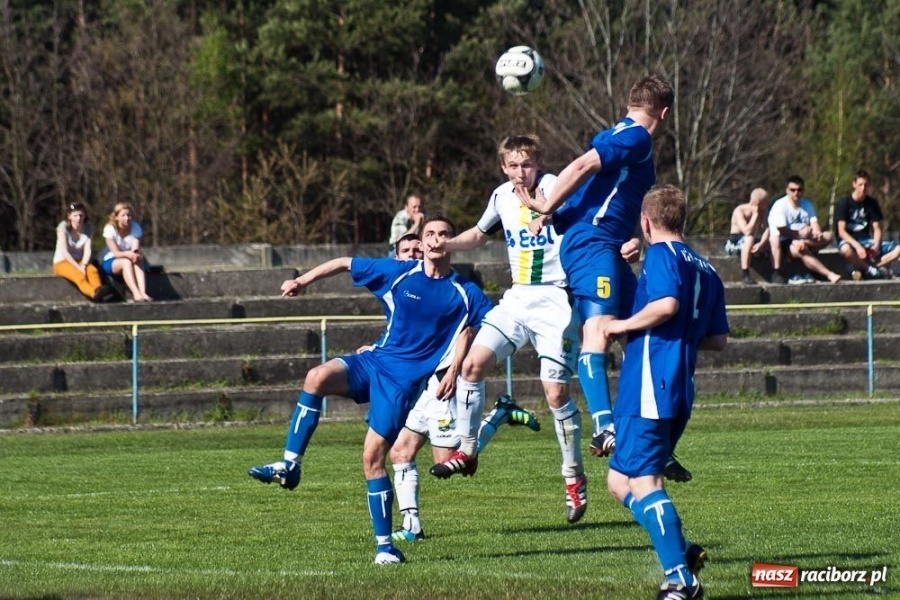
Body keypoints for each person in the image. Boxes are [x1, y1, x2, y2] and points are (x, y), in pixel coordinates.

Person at [247, 215, 494, 566]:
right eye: (429, 234)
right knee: (316, 376)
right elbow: (343, 262)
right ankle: (289, 465)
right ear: (421, 243)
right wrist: (302, 280)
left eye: (444, 234)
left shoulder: (465, 292)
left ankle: (385, 547)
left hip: (401, 384)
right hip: (374, 362)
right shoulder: (398, 272)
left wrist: (458, 368)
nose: (436, 240)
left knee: (372, 460)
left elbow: (485, 327)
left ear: (452, 242)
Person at [426, 134, 591, 524]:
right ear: (503, 167)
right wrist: (446, 245)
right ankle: (467, 449)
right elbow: (479, 235)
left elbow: (574, 210)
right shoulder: (501, 195)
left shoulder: (553, 187)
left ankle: (573, 479)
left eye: (527, 164)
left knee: (555, 393)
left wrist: (548, 213)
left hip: (555, 299)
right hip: (517, 298)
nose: (521, 172)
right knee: (471, 365)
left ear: (539, 163)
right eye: (513, 166)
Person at [514, 76, 674, 461]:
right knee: (599, 330)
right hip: (593, 244)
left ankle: (646, 434)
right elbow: (585, 163)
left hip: (608, 246)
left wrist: (635, 234)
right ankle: (605, 427)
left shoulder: (627, 137)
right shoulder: (636, 136)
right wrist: (546, 204)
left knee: (643, 334)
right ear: (664, 113)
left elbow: (605, 193)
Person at [602, 185, 728, 600]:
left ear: (645, 222)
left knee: (645, 481)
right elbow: (717, 340)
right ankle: (683, 551)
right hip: (679, 387)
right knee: (619, 481)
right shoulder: (707, 268)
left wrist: (619, 326)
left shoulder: (660, 255)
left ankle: (681, 580)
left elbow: (667, 305)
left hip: (649, 386)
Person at [767, 176, 841, 285]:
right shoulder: (780, 206)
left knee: (828, 236)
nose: (796, 193)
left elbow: (814, 222)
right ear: (787, 190)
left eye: (799, 190)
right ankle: (830, 274)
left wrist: (817, 232)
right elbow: (782, 231)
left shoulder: (807, 204)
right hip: (785, 242)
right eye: (793, 190)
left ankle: (805, 248)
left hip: (805, 239)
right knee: (801, 249)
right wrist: (798, 235)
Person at [834, 169, 899, 280]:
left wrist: (876, 245)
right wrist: (858, 247)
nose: (863, 188)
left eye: (866, 185)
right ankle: (869, 268)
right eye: (860, 185)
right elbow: (841, 231)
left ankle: (874, 268)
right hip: (849, 241)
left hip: (866, 240)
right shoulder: (843, 202)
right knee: (846, 250)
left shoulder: (871, 203)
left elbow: (877, 228)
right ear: (854, 184)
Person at [52, 202, 114, 302]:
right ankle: (94, 293)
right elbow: (64, 251)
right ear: (69, 216)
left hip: (80, 261)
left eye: (81, 215)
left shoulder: (88, 228)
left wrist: (84, 265)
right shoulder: (63, 228)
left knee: (92, 270)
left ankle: (99, 289)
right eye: (75, 215)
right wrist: (78, 267)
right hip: (62, 261)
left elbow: (87, 249)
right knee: (78, 275)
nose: (78, 218)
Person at [101, 202, 153, 302]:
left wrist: (134, 254)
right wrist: (128, 254)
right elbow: (115, 253)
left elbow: (135, 248)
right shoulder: (109, 229)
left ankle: (143, 292)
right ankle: (136, 293)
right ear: (116, 217)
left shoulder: (135, 227)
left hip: (128, 257)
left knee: (138, 260)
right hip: (111, 260)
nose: (127, 218)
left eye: (128, 215)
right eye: (123, 215)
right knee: (126, 262)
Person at [724, 188, 770, 284]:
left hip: (753, 240)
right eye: (765, 203)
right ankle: (745, 273)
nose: (767, 206)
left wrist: (761, 244)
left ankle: (776, 272)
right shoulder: (740, 211)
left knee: (773, 239)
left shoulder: (764, 211)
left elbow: (768, 229)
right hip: (736, 241)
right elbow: (747, 232)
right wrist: (755, 214)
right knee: (749, 239)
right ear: (757, 202)